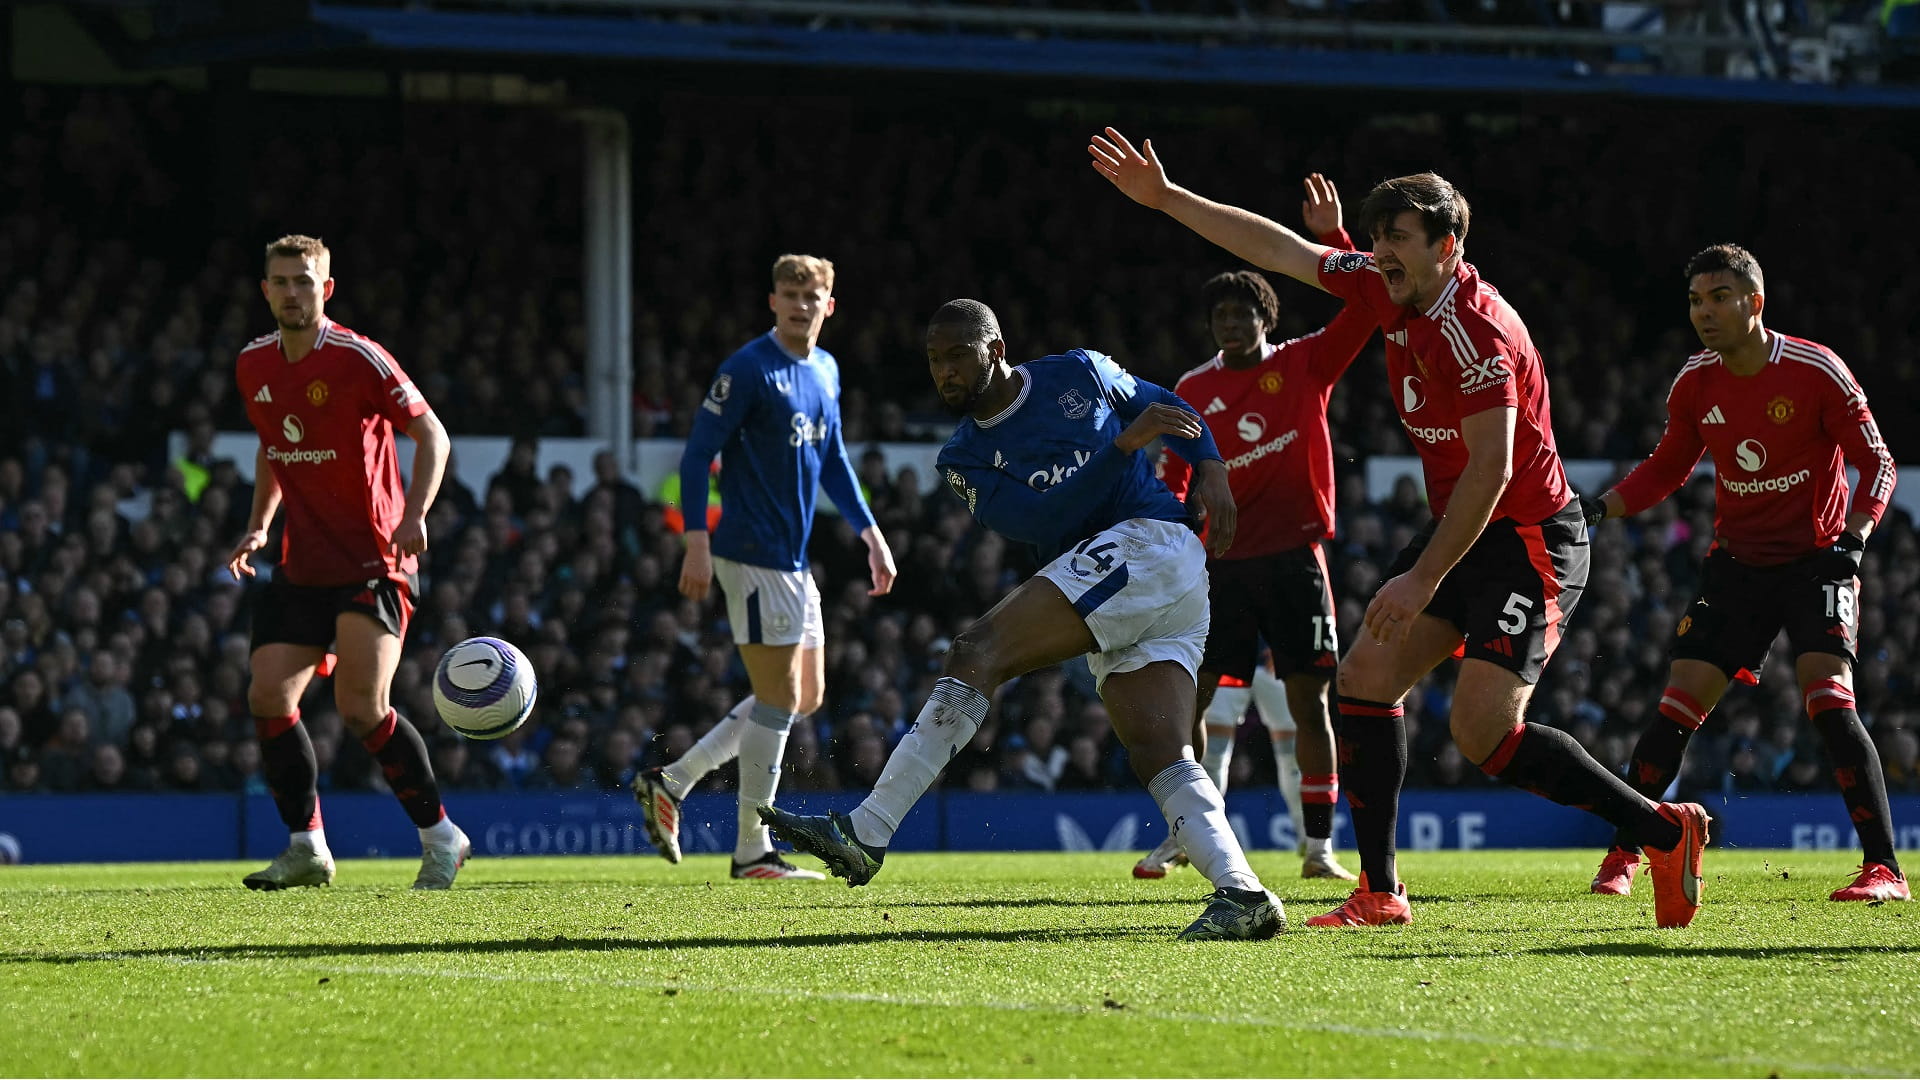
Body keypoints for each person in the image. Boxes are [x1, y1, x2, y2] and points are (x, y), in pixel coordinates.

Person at [1089, 127, 1710, 929]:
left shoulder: (1484, 331)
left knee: (1483, 733)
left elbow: (1491, 471)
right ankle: (1380, 891)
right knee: (1364, 681)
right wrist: (1166, 197)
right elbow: (1279, 251)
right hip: (1463, 526)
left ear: (1450, 246)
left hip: (1528, 536)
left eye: (1399, 239)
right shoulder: (1390, 288)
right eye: (1376, 237)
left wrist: (1421, 578)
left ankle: (1665, 832)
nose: (1380, 253)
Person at [762, 298, 1288, 942]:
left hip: (1150, 543)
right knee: (1160, 752)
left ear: (996, 348)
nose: (945, 372)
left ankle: (866, 832)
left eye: (958, 355)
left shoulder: (1079, 372)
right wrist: (1123, 444)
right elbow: (1041, 520)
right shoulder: (963, 459)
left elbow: (1165, 406)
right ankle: (1245, 894)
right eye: (935, 361)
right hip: (1139, 579)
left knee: (976, 651)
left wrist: (1212, 467)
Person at [1581, 244, 1906, 903]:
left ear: (1755, 303)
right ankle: (1625, 853)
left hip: (1818, 560)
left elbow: (1879, 464)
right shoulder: (1695, 382)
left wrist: (1855, 541)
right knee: (1676, 707)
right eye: (1696, 300)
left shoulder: (1817, 370)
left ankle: (1884, 870)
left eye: (1719, 297)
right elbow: (1668, 467)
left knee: (1827, 698)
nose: (1704, 311)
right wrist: (1599, 507)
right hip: (1737, 567)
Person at [633, 254, 896, 881]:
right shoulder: (749, 368)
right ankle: (753, 848)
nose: (801, 304)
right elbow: (697, 459)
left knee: (807, 696)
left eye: (813, 295)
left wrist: (871, 532)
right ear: (772, 302)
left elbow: (832, 461)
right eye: (789, 293)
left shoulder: (827, 370)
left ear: (829, 305)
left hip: (795, 560)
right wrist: (697, 540)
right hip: (751, 555)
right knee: (780, 699)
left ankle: (673, 780)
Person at [1135, 173, 1368, 883]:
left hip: (1296, 559)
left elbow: (1366, 305)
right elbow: (1175, 481)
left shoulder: (1305, 364)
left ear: (1267, 316)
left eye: (1245, 314)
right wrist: (1171, 535)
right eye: (1221, 317)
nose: (1232, 325)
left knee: (1310, 702)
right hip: (1221, 567)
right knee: (1193, 697)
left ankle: (1319, 848)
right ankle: (1187, 832)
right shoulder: (1192, 391)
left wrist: (1334, 240)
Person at [227, 234, 468, 890]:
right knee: (268, 694)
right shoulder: (252, 364)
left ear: (325, 289)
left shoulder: (357, 357)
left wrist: (416, 514)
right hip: (303, 562)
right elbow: (273, 447)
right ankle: (307, 847)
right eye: (281, 281)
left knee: (361, 706)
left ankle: (441, 837)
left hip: (373, 559)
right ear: (265, 290)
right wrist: (257, 527)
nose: (292, 292)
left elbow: (432, 433)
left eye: (305, 281)